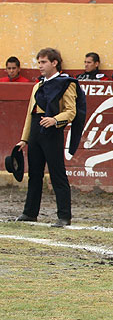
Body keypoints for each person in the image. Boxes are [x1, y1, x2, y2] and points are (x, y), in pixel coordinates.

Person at [15, 48, 86, 227]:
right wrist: (25, 138)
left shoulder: (66, 83)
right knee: (34, 174)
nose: (40, 66)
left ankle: (64, 216)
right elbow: (30, 114)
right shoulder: (37, 86)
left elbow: (71, 111)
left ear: (55, 63)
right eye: (39, 62)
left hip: (52, 131)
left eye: (44, 62)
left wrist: (55, 119)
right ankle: (30, 212)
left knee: (57, 174)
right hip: (36, 132)